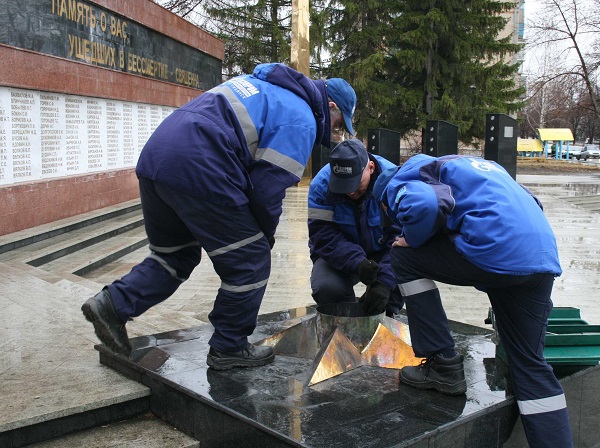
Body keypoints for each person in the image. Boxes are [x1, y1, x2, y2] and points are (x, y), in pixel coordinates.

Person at [81, 63, 357, 371]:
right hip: (201, 164)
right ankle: (229, 346)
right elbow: (267, 190)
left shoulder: (263, 86)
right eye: (339, 123)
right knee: (251, 261)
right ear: (330, 106)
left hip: (156, 158)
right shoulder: (301, 119)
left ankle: (112, 305)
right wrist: (262, 238)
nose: (337, 131)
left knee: (174, 256)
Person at [371, 154, 573, 447]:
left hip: (498, 253)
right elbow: (531, 202)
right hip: (540, 257)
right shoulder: (480, 166)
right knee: (530, 363)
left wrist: (411, 238)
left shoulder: (400, 181)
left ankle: (443, 365)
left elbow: (424, 205)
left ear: (383, 204)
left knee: (402, 256)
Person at [307, 139, 404, 316]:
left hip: (385, 251)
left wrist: (385, 282)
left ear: (371, 168)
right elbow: (322, 235)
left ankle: (386, 316)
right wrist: (357, 262)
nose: (350, 192)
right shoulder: (320, 186)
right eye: (342, 185)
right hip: (339, 254)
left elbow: (402, 237)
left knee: (394, 287)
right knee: (327, 287)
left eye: (355, 183)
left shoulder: (394, 182)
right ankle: (345, 320)